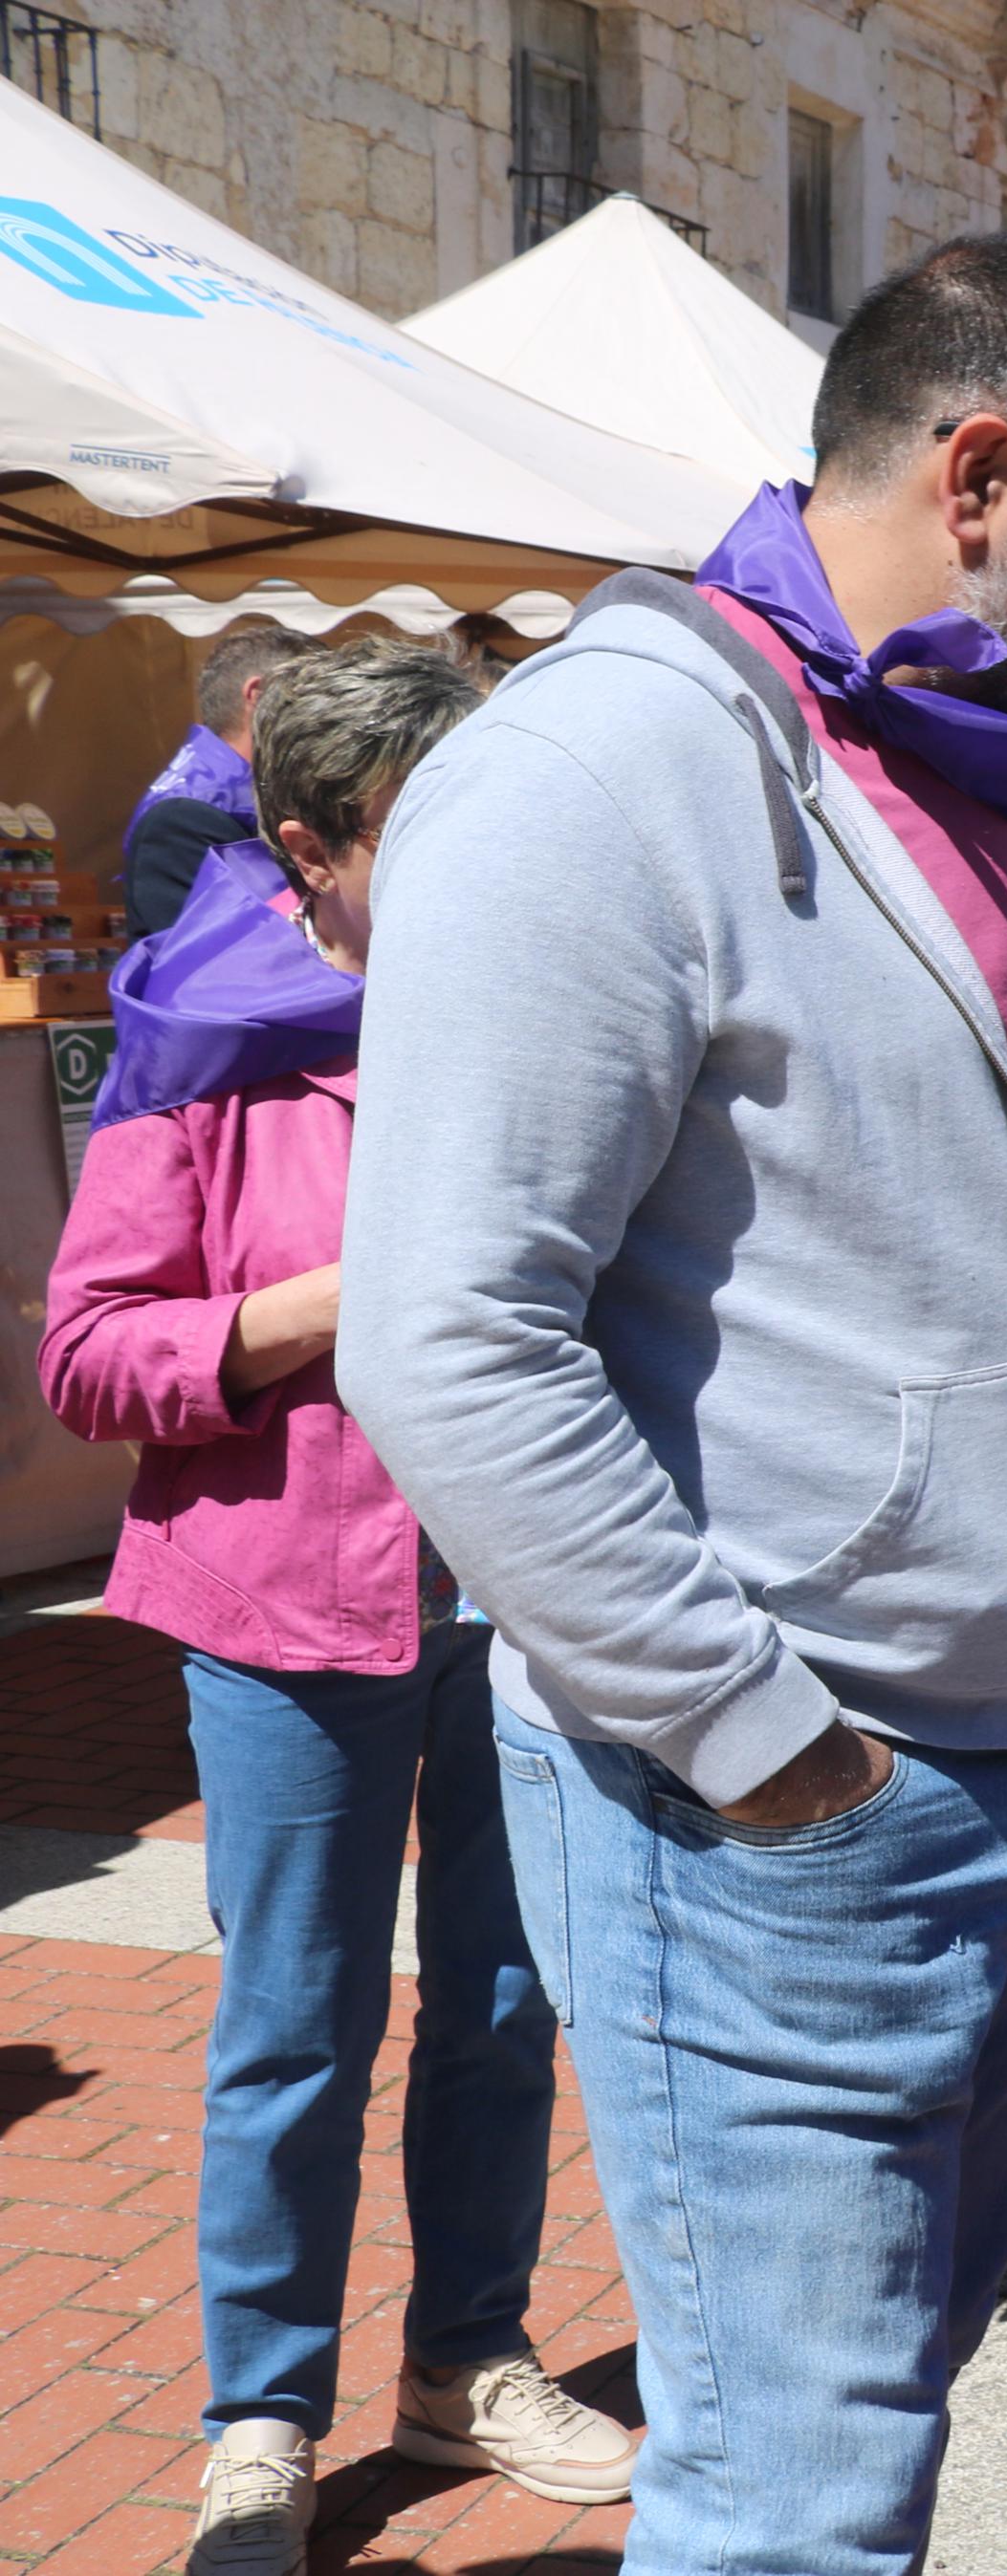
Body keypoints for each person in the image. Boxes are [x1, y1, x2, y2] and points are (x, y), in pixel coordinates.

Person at [336, 231, 1007, 2572]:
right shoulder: (605, 763)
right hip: (792, 1816)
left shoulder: (977, 770)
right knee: (793, 2501)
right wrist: (762, 1745)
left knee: (874, 2420)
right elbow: (449, 1334)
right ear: (987, 467)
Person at [43, 643, 635, 2576]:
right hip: (286, 1602)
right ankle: (260, 2423)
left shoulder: (539, 1003)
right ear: (312, 845)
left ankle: (464, 2353)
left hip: (527, 1592)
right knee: (292, 2028)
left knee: (497, 2003)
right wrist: (329, 1309)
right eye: (429, 827)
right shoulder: (199, 1038)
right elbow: (90, 1353)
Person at [122, 625, 316, 939]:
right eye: (316, 699)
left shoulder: (240, 794)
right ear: (259, 696)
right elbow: (225, 954)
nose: (330, 718)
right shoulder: (184, 818)